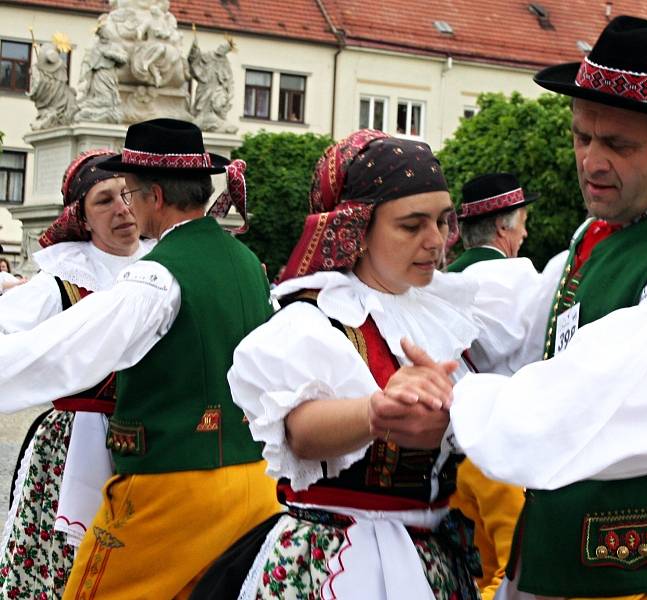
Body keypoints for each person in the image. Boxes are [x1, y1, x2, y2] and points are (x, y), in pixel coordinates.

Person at [406, 16, 647, 600]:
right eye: (583, 137)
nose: (591, 160)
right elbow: (525, 324)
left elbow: (600, 400)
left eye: (618, 145)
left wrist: (455, 402)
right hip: (586, 573)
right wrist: (386, 291)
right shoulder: (600, 237)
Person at [211, 130, 548, 600]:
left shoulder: (446, 310)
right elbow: (300, 430)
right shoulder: (318, 316)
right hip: (340, 560)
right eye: (412, 226)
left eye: (442, 221)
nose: (436, 241)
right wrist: (376, 413)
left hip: (432, 559)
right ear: (358, 231)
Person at [0, 118, 283, 598]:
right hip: (255, 487)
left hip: (174, 491)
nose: (126, 205)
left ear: (154, 196)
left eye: (128, 193)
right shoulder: (246, 265)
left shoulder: (156, 278)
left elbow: (63, 353)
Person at [0, 149, 155, 599]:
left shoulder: (163, 268)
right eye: (104, 201)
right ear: (82, 219)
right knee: (63, 566)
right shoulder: (61, 281)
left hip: (152, 439)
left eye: (127, 195)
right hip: (73, 447)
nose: (122, 209)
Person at [446, 172, 538, 597]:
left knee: (466, 568)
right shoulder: (520, 277)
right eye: (522, 221)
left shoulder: (440, 280)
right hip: (501, 453)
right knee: (513, 571)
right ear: (503, 226)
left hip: (448, 452)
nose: (525, 231)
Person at [447, 173, 536, 272]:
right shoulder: (521, 275)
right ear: (502, 226)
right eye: (522, 222)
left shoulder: (443, 277)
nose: (525, 233)